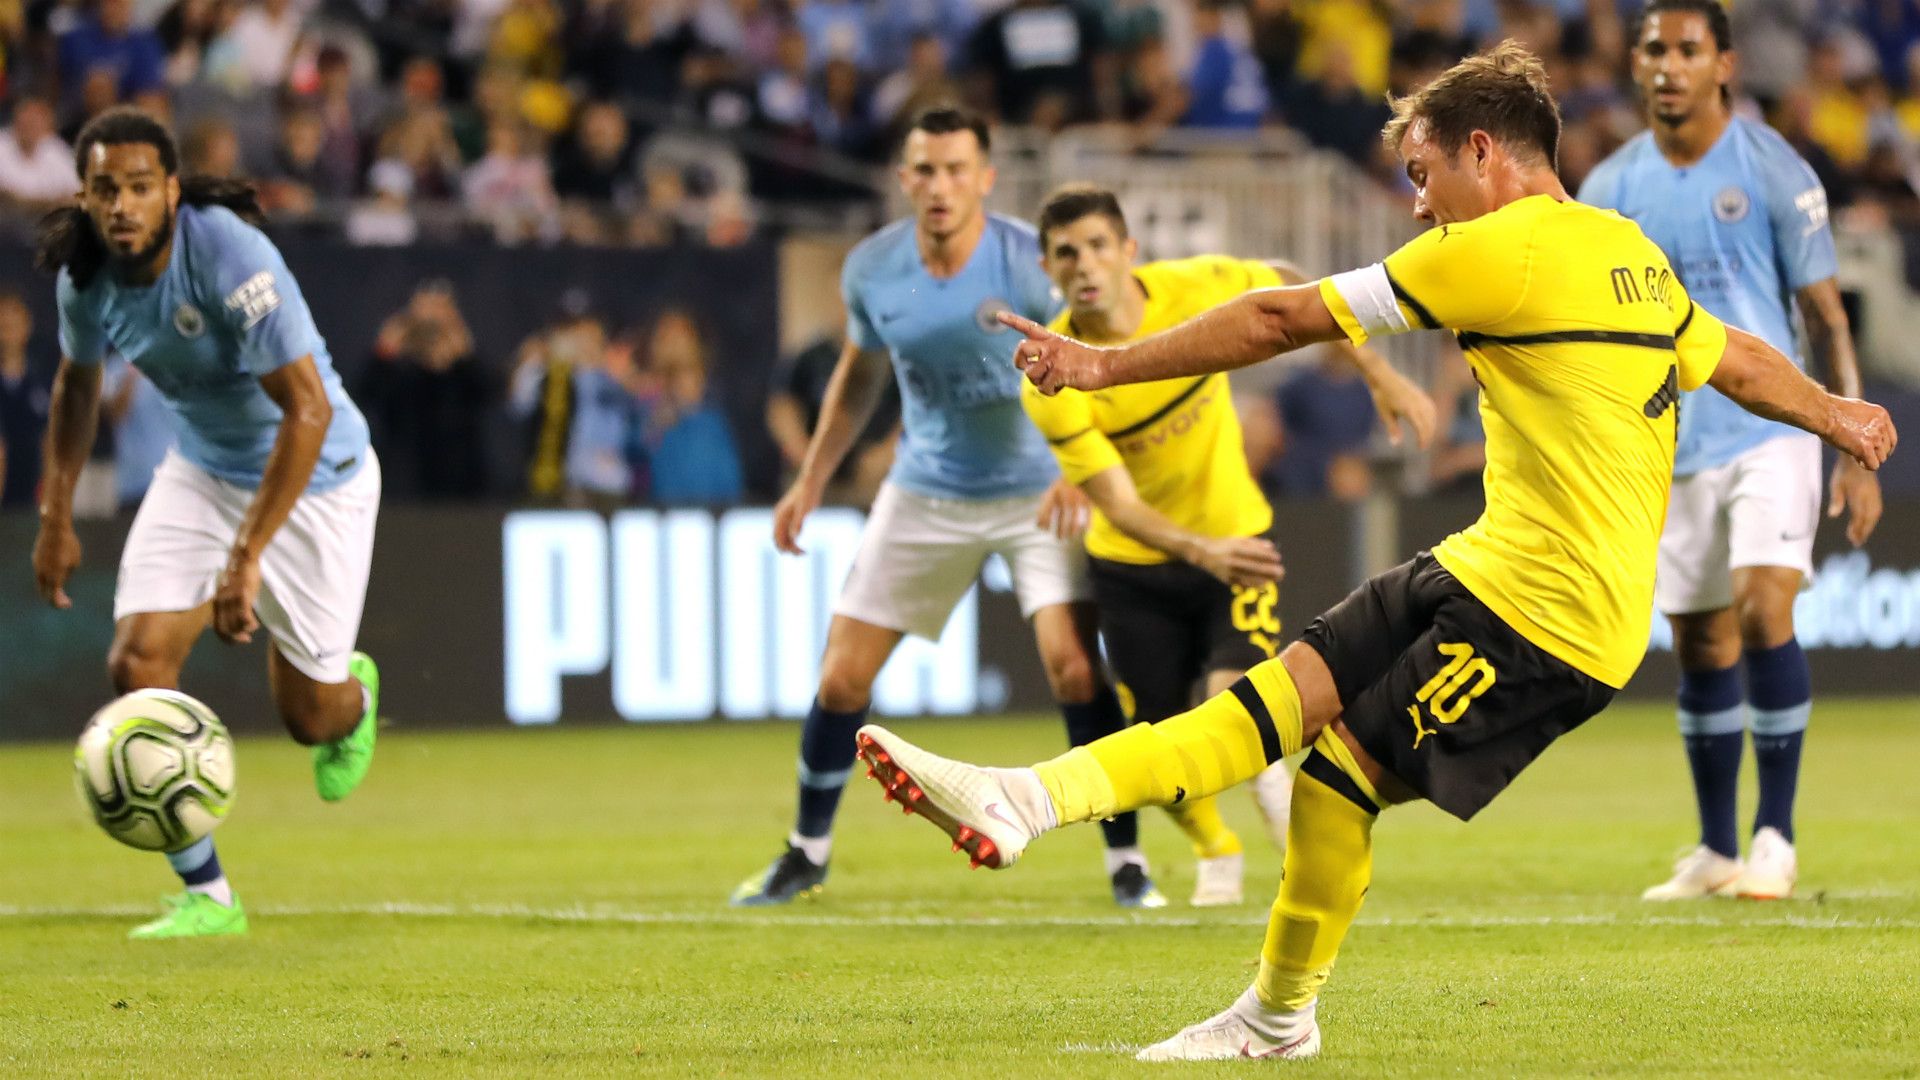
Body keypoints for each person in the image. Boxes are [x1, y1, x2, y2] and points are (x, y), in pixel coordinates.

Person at [851, 43, 1895, 1060]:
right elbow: (1737, 356)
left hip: (1553, 621)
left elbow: (1276, 318)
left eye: (1423, 173)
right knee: (1260, 706)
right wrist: (1838, 414)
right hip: (1487, 565)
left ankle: (1277, 1018)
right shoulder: (1626, 249)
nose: (1419, 204)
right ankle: (1025, 801)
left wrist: (1104, 364)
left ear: (1482, 150)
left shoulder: (1497, 249)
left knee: (1333, 781)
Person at [730, 107, 1159, 909]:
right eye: (924, 170)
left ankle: (1126, 862)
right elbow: (860, 376)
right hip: (926, 488)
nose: (939, 186)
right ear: (903, 179)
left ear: (986, 179)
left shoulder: (1031, 265)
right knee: (840, 676)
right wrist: (812, 477)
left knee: (1073, 664)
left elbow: (1106, 349)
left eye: (957, 169)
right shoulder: (872, 269)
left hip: (1039, 488)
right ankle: (806, 853)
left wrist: (1085, 465)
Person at [1021, 183, 1437, 905]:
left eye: (1096, 245)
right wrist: (1197, 549)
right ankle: (1218, 846)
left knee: (1231, 707)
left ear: (1129, 251)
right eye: (1066, 253)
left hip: (1234, 544)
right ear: (1048, 269)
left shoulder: (1195, 287)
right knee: (1161, 745)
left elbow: (1286, 284)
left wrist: (1375, 369)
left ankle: (1298, 855)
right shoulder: (1054, 376)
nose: (1084, 264)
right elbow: (1115, 502)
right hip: (1134, 566)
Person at [31, 108, 383, 940]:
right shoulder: (83, 278)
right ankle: (210, 896)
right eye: (105, 189)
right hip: (202, 469)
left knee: (310, 720)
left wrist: (247, 559)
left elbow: (306, 410)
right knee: (138, 659)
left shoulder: (229, 254)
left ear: (172, 192)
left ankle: (356, 702)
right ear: (84, 196)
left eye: (140, 188)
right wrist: (57, 511)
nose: (121, 205)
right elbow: (77, 385)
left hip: (317, 477)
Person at [1578, 0, 1880, 904]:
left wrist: (1851, 443)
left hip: (1771, 432)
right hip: (1668, 445)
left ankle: (1774, 838)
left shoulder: (1773, 169)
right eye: (1653, 49)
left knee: (1760, 607)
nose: (1667, 65)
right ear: (1635, 65)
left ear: (1725, 65)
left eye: (1687, 50)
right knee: (1701, 639)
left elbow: (1826, 314)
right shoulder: (1608, 190)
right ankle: (1715, 849)